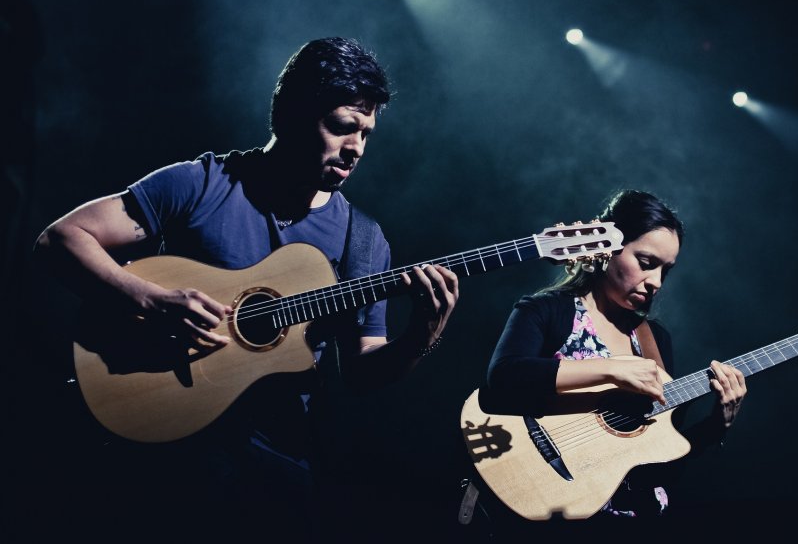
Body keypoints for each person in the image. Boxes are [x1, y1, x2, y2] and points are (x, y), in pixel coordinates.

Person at [33, 37, 459, 536]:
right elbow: (61, 239)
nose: (357, 149)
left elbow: (363, 373)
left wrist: (420, 338)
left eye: (366, 134)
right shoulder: (203, 183)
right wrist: (150, 298)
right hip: (161, 444)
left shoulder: (363, 242)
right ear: (292, 116)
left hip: (274, 462)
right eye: (343, 128)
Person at [473, 189, 746, 535]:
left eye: (666, 270)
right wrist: (613, 369)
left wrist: (715, 428)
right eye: (647, 263)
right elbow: (504, 376)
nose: (656, 282)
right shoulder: (547, 310)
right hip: (552, 517)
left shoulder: (655, 341)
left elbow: (658, 463)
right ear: (607, 249)